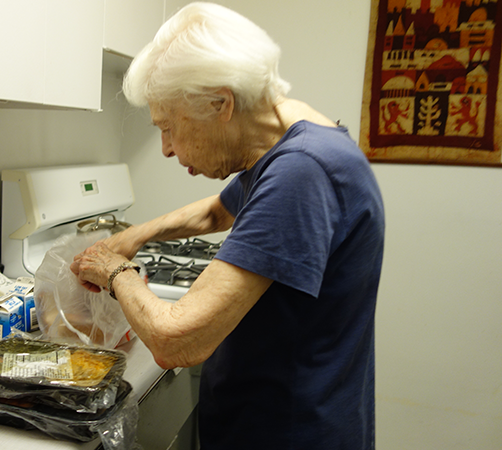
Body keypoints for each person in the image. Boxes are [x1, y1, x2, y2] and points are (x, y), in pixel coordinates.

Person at [69, 3, 384, 449]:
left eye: (168, 127)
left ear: (221, 103)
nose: (166, 149)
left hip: (288, 435)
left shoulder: (302, 172)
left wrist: (113, 270)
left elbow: (177, 341)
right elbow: (217, 210)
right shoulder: (303, 141)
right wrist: (136, 235)